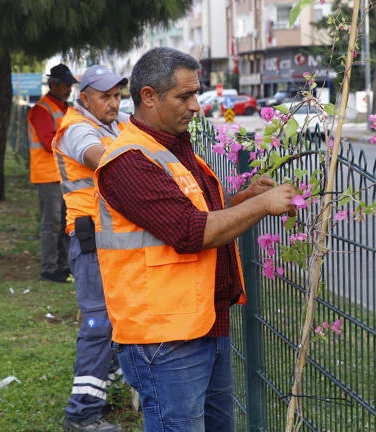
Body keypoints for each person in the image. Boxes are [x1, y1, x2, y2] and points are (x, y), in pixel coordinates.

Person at [94, 47, 298, 431]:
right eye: (184, 96)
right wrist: (262, 206)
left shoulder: (173, 147)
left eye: (196, 94)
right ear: (149, 97)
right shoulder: (129, 162)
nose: (195, 106)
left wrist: (245, 199)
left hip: (201, 323)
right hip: (165, 337)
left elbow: (196, 215)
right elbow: (190, 232)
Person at [53, 65, 129, 432]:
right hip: (91, 240)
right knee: (99, 324)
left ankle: (104, 389)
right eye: (105, 96)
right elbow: (101, 159)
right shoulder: (77, 129)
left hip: (112, 239)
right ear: (85, 98)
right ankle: (81, 414)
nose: (114, 103)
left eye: (117, 95)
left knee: (117, 319)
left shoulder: (114, 122)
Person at [27, 63, 78, 283]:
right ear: (53, 85)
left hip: (64, 175)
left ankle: (64, 265)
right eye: (65, 85)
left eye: (70, 86)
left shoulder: (66, 108)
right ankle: (49, 268)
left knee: (65, 223)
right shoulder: (41, 109)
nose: (69, 89)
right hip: (47, 176)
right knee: (52, 223)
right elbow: (50, 143)